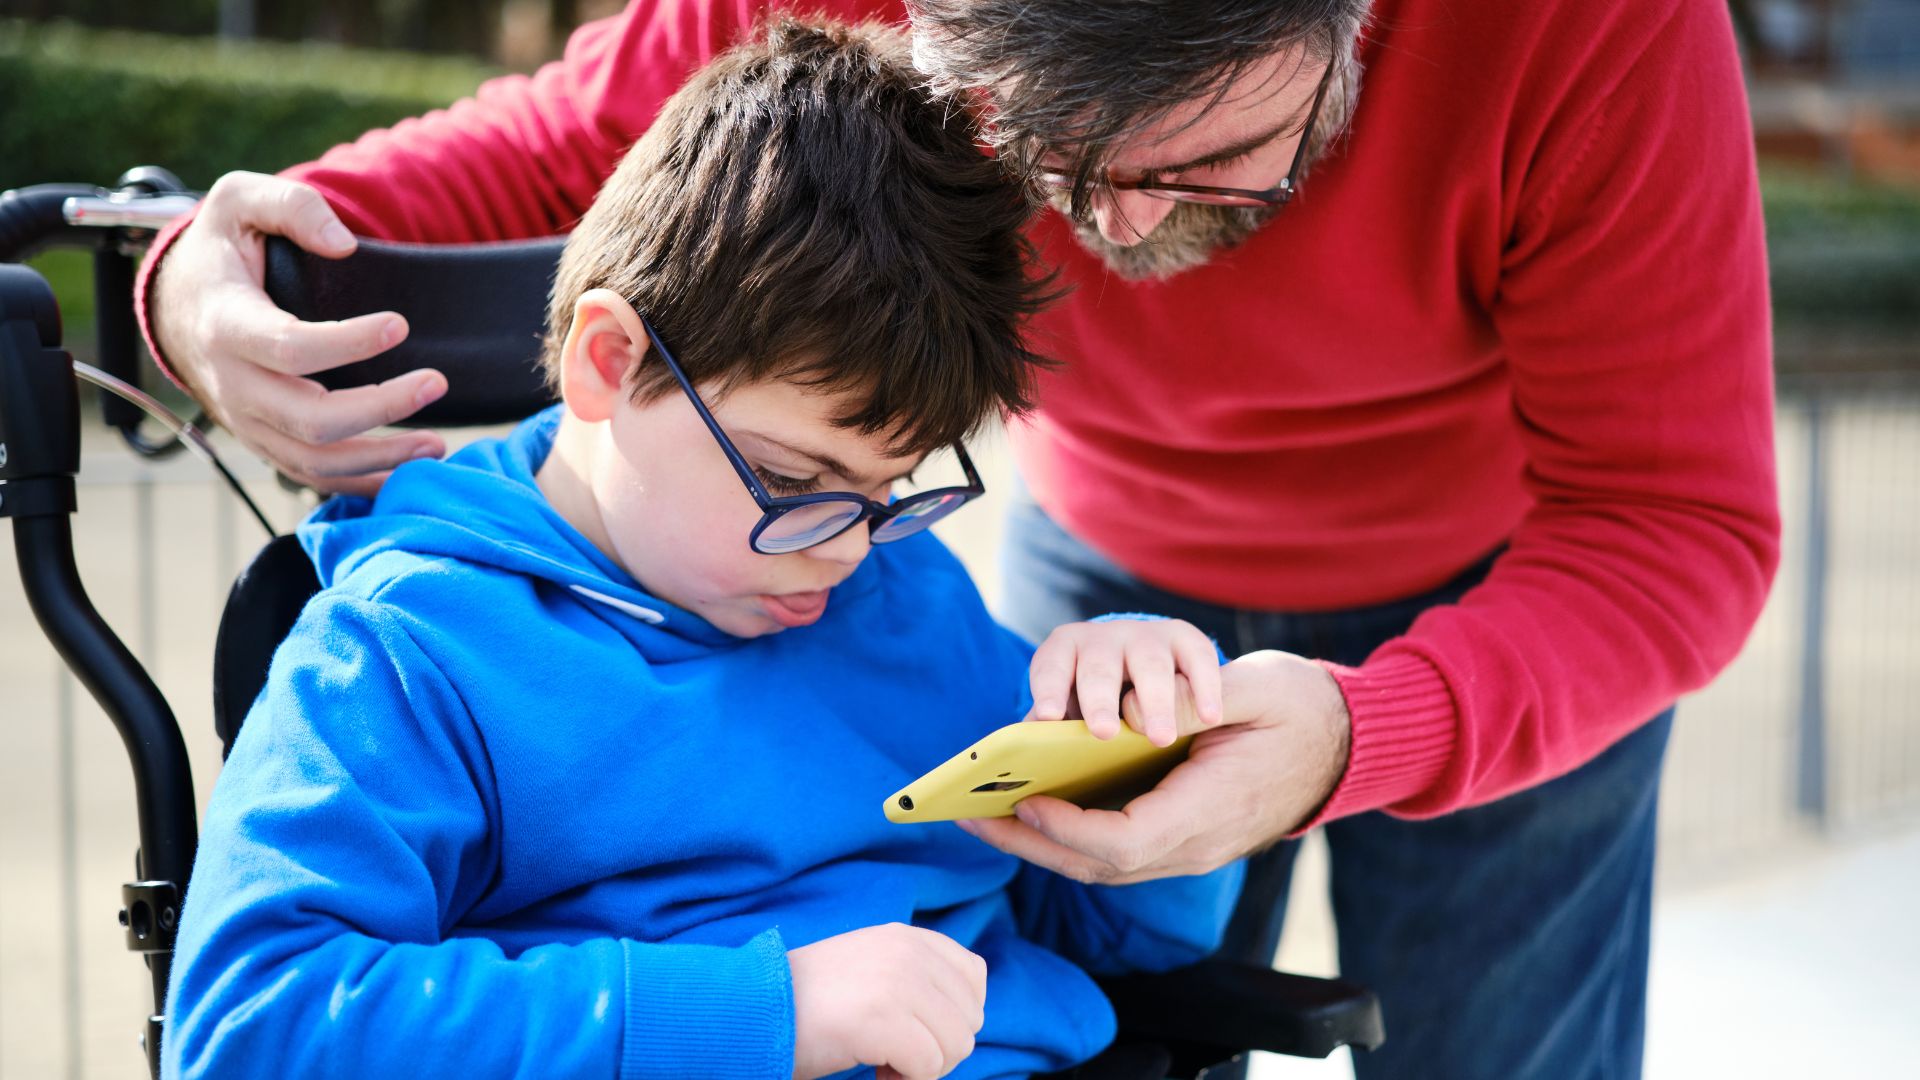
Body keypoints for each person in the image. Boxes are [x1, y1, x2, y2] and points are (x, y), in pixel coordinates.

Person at [138, 1, 1782, 1076]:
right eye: (1043, 155)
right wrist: (202, 278)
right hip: (1110, 546)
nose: (1119, 230)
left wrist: (1327, 739)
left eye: (1211, 156)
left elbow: (1673, 523)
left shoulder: (879, 579)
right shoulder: (444, 654)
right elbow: (581, 137)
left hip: (1510, 586)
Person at [161, 21, 1246, 1080]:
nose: (843, 554)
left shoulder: (900, 587)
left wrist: (1147, 748)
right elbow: (254, 1025)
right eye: (791, 480)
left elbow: (1114, 939)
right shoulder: (412, 652)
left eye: (887, 490)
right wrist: (768, 1013)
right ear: (608, 360)